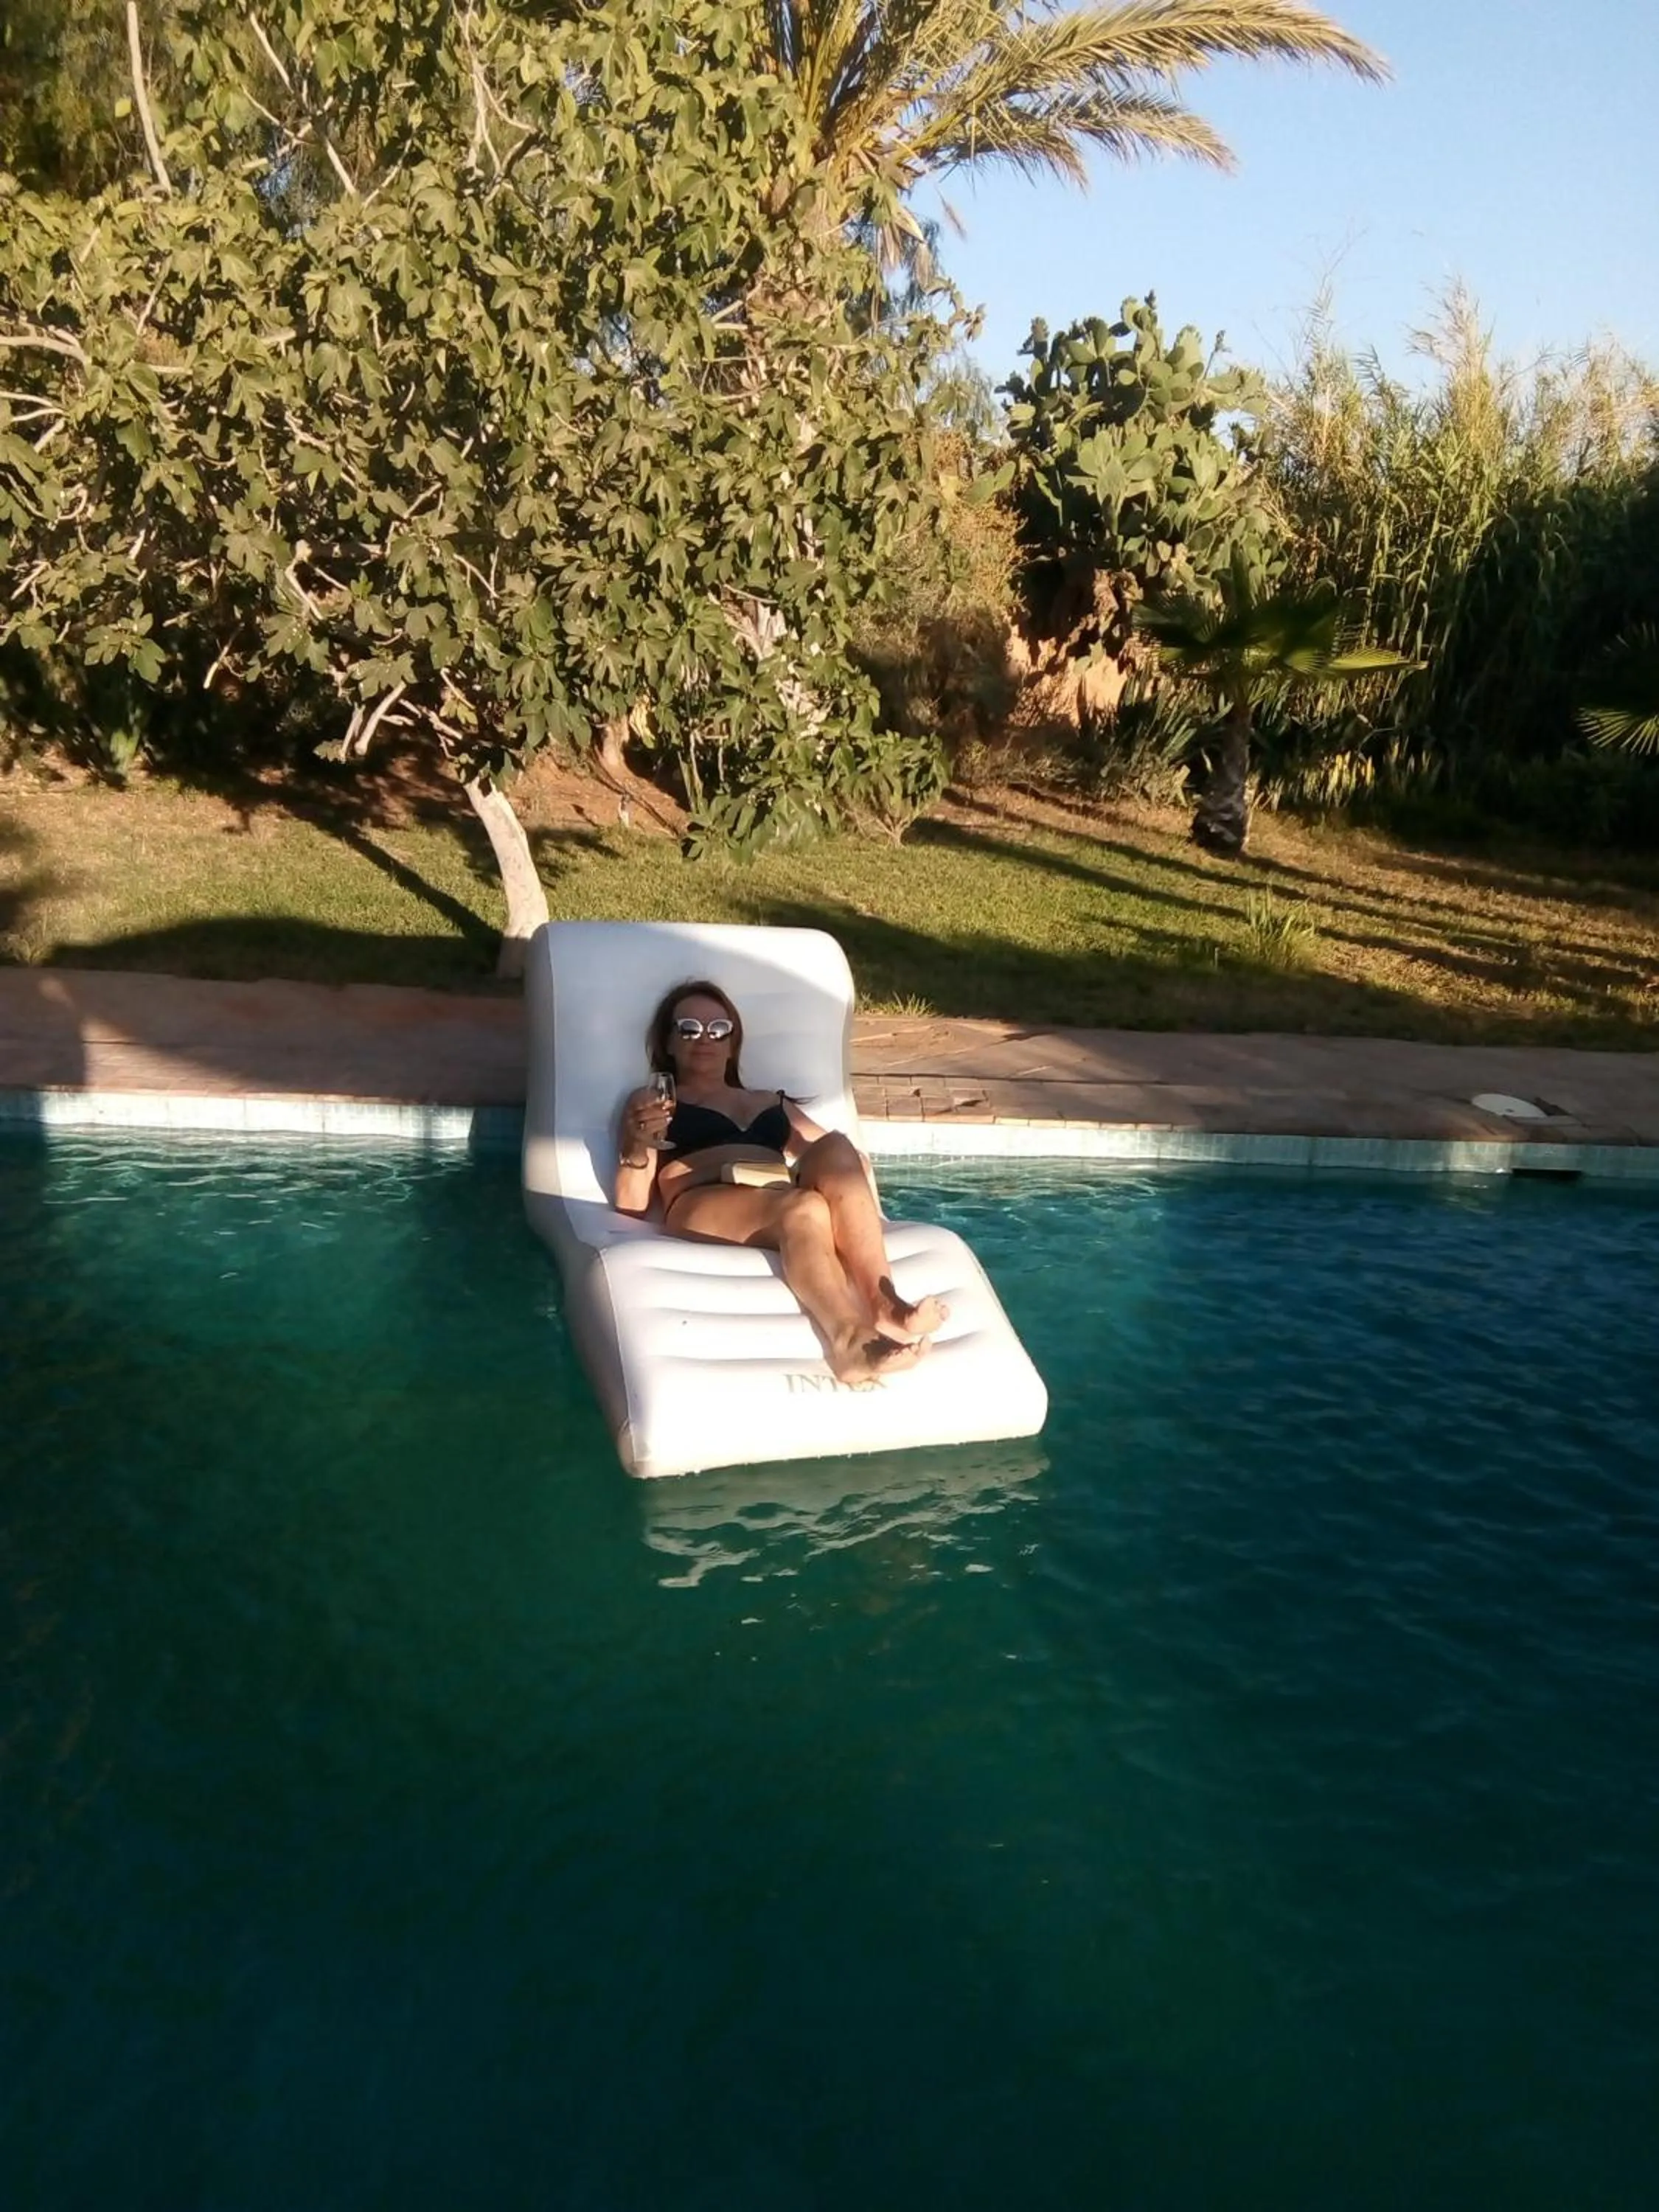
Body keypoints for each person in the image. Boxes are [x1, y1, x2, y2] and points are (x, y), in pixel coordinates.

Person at [613, 980, 948, 1385]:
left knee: (838, 1148)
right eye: (688, 1028)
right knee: (804, 1207)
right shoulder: (656, 1103)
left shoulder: (768, 1102)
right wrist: (637, 1145)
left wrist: (852, 1186)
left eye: (719, 1028)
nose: (705, 1038)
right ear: (668, 1041)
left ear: (733, 1042)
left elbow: (837, 1157)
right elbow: (631, 1204)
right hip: (702, 1199)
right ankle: (850, 1343)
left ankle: (885, 1304)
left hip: (778, 1193)